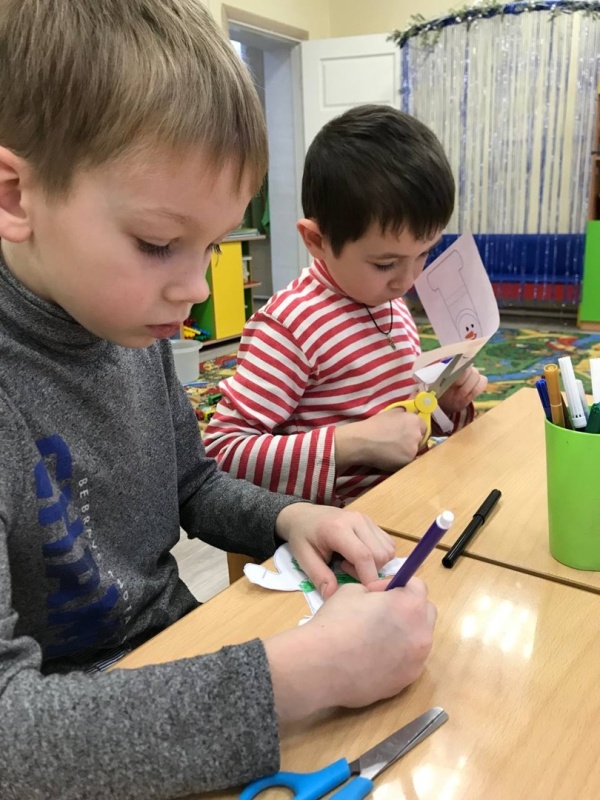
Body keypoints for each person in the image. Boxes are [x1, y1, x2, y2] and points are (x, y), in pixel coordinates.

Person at [0, 2, 438, 798]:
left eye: (212, 245)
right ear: (15, 195)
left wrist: (288, 516)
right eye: (158, 244)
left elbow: (194, 485)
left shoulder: (125, 321)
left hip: (179, 664)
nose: (197, 289)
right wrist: (304, 673)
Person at [204, 105, 488, 505]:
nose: (407, 281)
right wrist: (350, 443)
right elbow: (223, 453)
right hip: (342, 525)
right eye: (385, 263)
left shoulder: (387, 300)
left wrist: (443, 404)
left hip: (407, 498)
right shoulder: (291, 325)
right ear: (317, 241)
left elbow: (402, 426)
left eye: (424, 254)